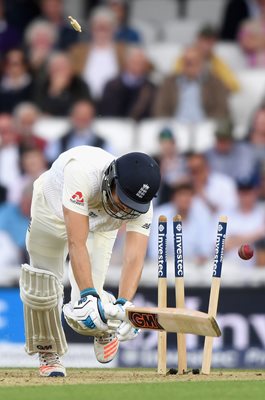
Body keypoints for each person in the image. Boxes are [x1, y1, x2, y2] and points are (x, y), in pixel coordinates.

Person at [19, 146, 160, 377]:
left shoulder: (141, 202)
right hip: (51, 213)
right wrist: (87, 296)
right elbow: (77, 242)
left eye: (132, 207)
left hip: (101, 225)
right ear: (112, 178)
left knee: (83, 314)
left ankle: (106, 323)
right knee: (41, 286)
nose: (125, 209)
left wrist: (125, 302)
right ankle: (48, 352)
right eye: (123, 200)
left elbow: (134, 255)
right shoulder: (82, 173)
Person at [153, 47, 230, 122]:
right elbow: (160, 108)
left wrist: (208, 122)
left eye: (194, 61)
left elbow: (222, 108)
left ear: (202, 63)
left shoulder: (215, 83)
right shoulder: (169, 83)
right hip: (176, 126)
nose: (189, 65)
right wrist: (170, 123)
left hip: (206, 126)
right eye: (187, 62)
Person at [69, 6, 127, 102]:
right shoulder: (77, 52)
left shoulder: (124, 51)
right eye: (98, 27)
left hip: (114, 103)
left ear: (114, 29)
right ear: (92, 28)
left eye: (105, 28)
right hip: (82, 101)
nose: (101, 32)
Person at [148, 180, 213, 264]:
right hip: (166, 268)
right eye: (181, 195)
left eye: (188, 195)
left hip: (195, 269)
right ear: (173, 198)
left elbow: (206, 250)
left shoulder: (202, 216)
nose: (185, 199)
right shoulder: (160, 216)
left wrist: (200, 258)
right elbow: (155, 252)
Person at [175, 25, 240, 93]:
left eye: (210, 42)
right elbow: (175, 80)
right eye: (204, 41)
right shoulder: (185, 58)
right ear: (197, 40)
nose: (206, 46)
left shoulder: (217, 62)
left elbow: (233, 85)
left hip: (210, 97)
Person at [99, 46, 155, 120]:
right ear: (126, 63)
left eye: (141, 63)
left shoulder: (151, 88)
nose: (138, 66)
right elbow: (106, 112)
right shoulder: (111, 86)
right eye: (135, 62)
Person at [45, 100, 109, 163]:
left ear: (92, 116)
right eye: (78, 114)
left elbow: (112, 166)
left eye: (86, 115)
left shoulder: (103, 144)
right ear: (71, 116)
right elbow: (49, 164)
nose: (82, 118)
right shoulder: (59, 142)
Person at [32, 52, 90, 116]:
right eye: (56, 69)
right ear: (49, 71)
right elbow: (39, 109)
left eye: (63, 68)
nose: (60, 73)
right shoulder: (42, 85)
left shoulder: (80, 84)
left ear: (71, 70)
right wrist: (54, 91)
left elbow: (83, 107)